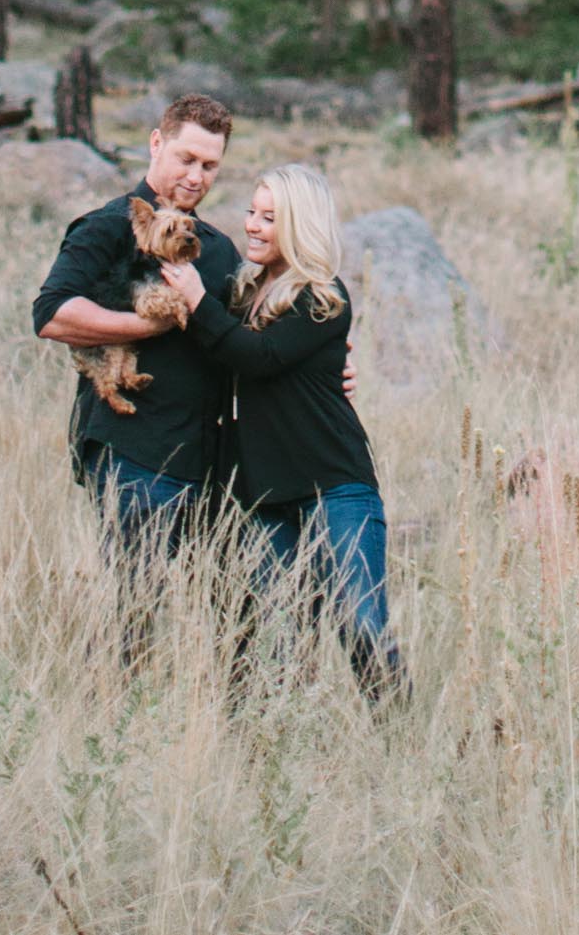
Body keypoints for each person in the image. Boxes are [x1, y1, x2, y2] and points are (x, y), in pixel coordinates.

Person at [159, 160, 407, 706]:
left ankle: (404, 748)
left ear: (298, 225)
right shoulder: (241, 292)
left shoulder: (321, 296)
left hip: (333, 487)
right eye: (251, 212)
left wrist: (198, 300)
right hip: (265, 496)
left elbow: (258, 357)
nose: (252, 225)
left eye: (269, 218)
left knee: (361, 624)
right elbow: (217, 356)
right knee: (276, 643)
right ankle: (271, 761)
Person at [32, 94, 243, 568]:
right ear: (155, 144)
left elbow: (243, 331)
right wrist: (150, 324)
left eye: (209, 166)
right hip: (133, 452)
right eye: (186, 158)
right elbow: (52, 314)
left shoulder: (216, 248)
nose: (195, 176)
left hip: (208, 457)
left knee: (221, 614)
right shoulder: (105, 227)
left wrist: (327, 362)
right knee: (135, 611)